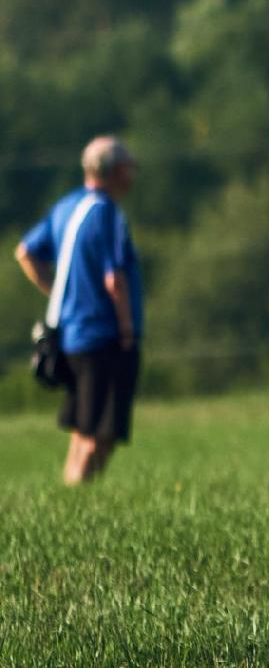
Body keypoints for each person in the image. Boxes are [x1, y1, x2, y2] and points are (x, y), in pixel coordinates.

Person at [14, 136, 144, 485]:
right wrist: (127, 330)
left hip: (70, 336)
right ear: (116, 172)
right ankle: (81, 496)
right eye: (129, 170)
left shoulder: (67, 207)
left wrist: (57, 290)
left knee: (81, 428)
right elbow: (114, 279)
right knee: (98, 435)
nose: (131, 177)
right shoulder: (108, 214)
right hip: (104, 336)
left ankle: (71, 492)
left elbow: (25, 252)